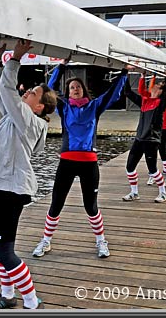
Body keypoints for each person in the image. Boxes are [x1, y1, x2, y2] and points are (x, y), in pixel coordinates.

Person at [0, 39, 57, 310]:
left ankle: (32, 301)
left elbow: (7, 90)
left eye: (33, 93)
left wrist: (16, 59)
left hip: (9, 191)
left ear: (39, 107)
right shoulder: (14, 116)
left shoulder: (30, 120)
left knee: (4, 250)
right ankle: (8, 295)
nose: (27, 93)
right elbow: (0, 92)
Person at [32, 61, 128, 260]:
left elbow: (112, 93)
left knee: (90, 206)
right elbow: (49, 90)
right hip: (67, 161)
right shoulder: (64, 107)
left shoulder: (94, 106)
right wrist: (60, 67)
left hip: (88, 162)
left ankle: (101, 241)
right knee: (56, 203)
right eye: (71, 87)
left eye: (78, 87)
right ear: (68, 92)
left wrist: (124, 73)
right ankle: (45, 241)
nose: (75, 89)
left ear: (83, 90)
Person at [123, 72, 166, 203]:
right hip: (139, 138)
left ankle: (163, 193)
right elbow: (128, 92)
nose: (153, 86)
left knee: (153, 170)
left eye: (157, 86)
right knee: (129, 167)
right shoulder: (144, 101)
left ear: (160, 91)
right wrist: (125, 73)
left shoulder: (160, 103)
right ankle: (134, 193)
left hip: (151, 140)